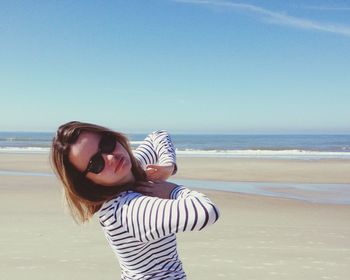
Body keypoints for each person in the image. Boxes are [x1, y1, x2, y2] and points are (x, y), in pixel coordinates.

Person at [51, 121, 220, 280]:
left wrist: (168, 165)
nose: (110, 157)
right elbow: (206, 212)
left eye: (106, 143)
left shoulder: (130, 168)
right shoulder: (125, 210)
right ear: (87, 183)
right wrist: (172, 190)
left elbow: (159, 136)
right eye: (96, 163)